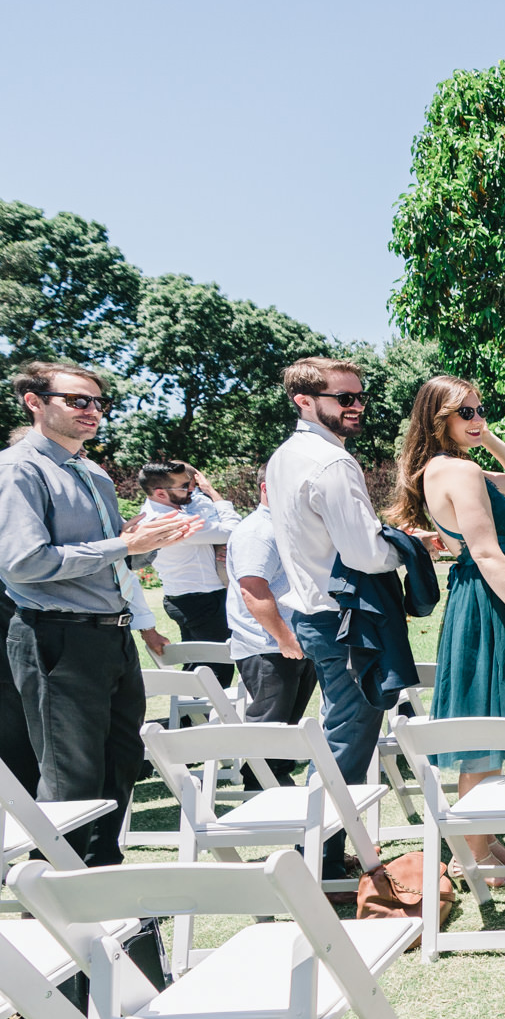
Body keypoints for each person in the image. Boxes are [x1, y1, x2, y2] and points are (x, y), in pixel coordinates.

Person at [0, 361, 200, 866]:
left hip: (113, 635)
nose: (92, 411)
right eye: (77, 400)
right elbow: (23, 563)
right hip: (56, 635)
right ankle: (56, 900)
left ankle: (103, 879)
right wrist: (121, 544)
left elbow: (118, 558)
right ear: (35, 402)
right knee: (71, 777)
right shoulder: (18, 470)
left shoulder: (93, 473)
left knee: (121, 763)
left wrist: (150, 542)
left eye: (98, 402)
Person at [388, 374, 505, 878]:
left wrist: (485, 437)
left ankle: (484, 844)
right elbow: (485, 551)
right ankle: (473, 856)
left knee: (490, 718)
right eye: (466, 413)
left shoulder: (460, 468)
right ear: (439, 419)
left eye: (481, 409)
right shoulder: (457, 474)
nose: (478, 418)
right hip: (493, 600)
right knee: (485, 720)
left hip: (485, 595)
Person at [267, 356, 408, 888]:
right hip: (341, 618)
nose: (356, 406)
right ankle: (315, 865)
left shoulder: (285, 456)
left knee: (340, 736)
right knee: (347, 743)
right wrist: (407, 549)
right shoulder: (331, 463)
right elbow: (366, 554)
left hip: (313, 613)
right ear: (304, 400)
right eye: (342, 398)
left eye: (359, 397)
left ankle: (322, 851)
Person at [226, 465, 314, 788]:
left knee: (286, 726)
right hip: (269, 646)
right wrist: (284, 637)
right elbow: (253, 590)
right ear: (266, 488)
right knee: (269, 725)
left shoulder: (287, 526)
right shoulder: (257, 532)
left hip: (292, 641)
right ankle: (261, 785)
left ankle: (274, 779)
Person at [139, 459, 241, 684]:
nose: (191, 490)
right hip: (204, 601)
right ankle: (196, 719)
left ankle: (186, 717)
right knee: (217, 671)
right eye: (184, 487)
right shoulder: (173, 521)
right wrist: (214, 494)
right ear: (160, 493)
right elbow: (232, 530)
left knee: (199, 666)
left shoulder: (153, 512)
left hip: (182, 598)